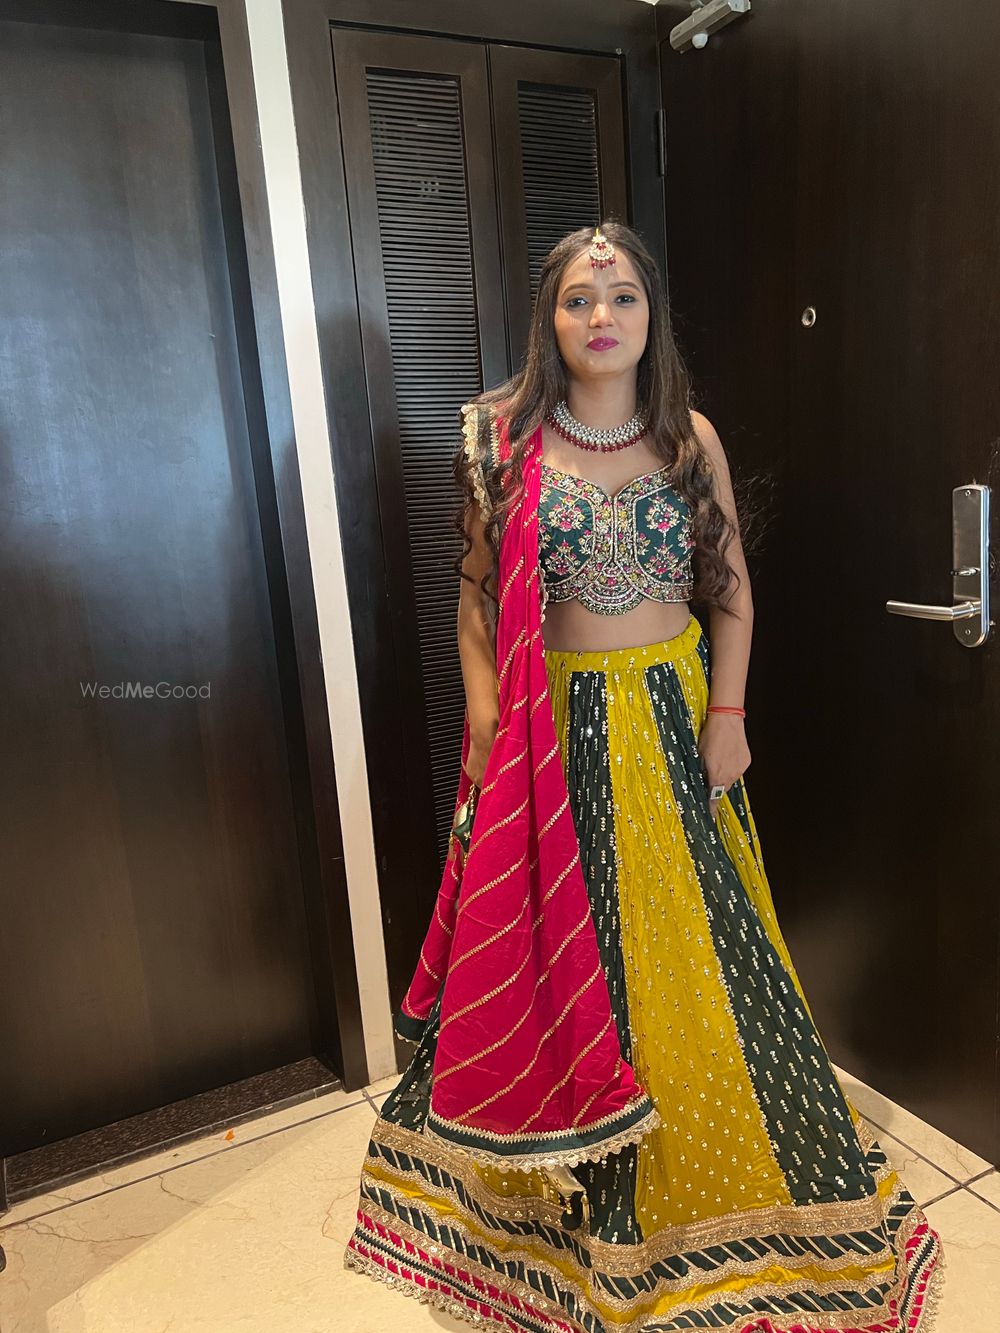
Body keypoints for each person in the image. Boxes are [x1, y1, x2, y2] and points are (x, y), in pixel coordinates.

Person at [343, 222, 944, 1333]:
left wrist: (729, 716)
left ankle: (712, 1181)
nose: (601, 315)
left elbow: (733, 594)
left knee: (695, 951)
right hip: (551, 734)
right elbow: (475, 593)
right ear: (550, 319)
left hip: (671, 728)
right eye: (579, 298)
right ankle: (555, 1214)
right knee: (569, 955)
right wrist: (486, 718)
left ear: (650, 314)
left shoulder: (687, 439)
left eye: (621, 295)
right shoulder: (500, 441)